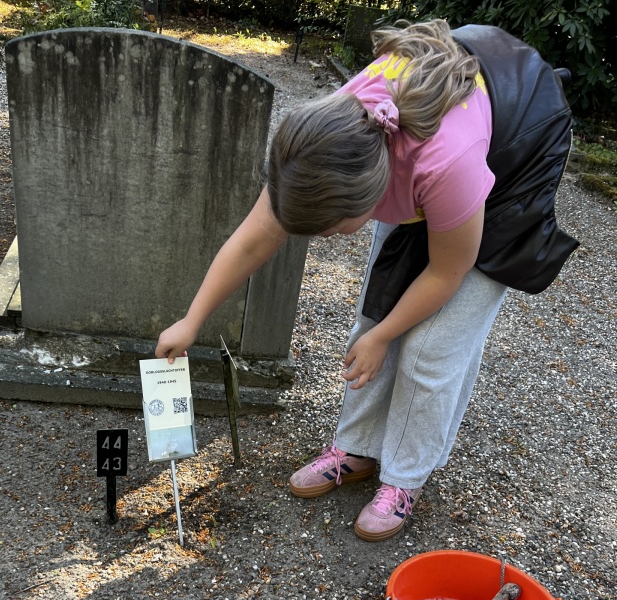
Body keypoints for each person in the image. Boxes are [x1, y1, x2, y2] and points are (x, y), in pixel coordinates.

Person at [156, 19, 577, 541]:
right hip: (425, 152)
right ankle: (356, 448)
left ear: (371, 195)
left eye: (333, 230)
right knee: (374, 316)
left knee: (431, 347)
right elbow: (252, 240)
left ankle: (405, 478)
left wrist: (386, 337)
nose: (325, 239)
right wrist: (192, 319)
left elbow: (447, 271)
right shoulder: (320, 143)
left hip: (518, 146)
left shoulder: (448, 163)